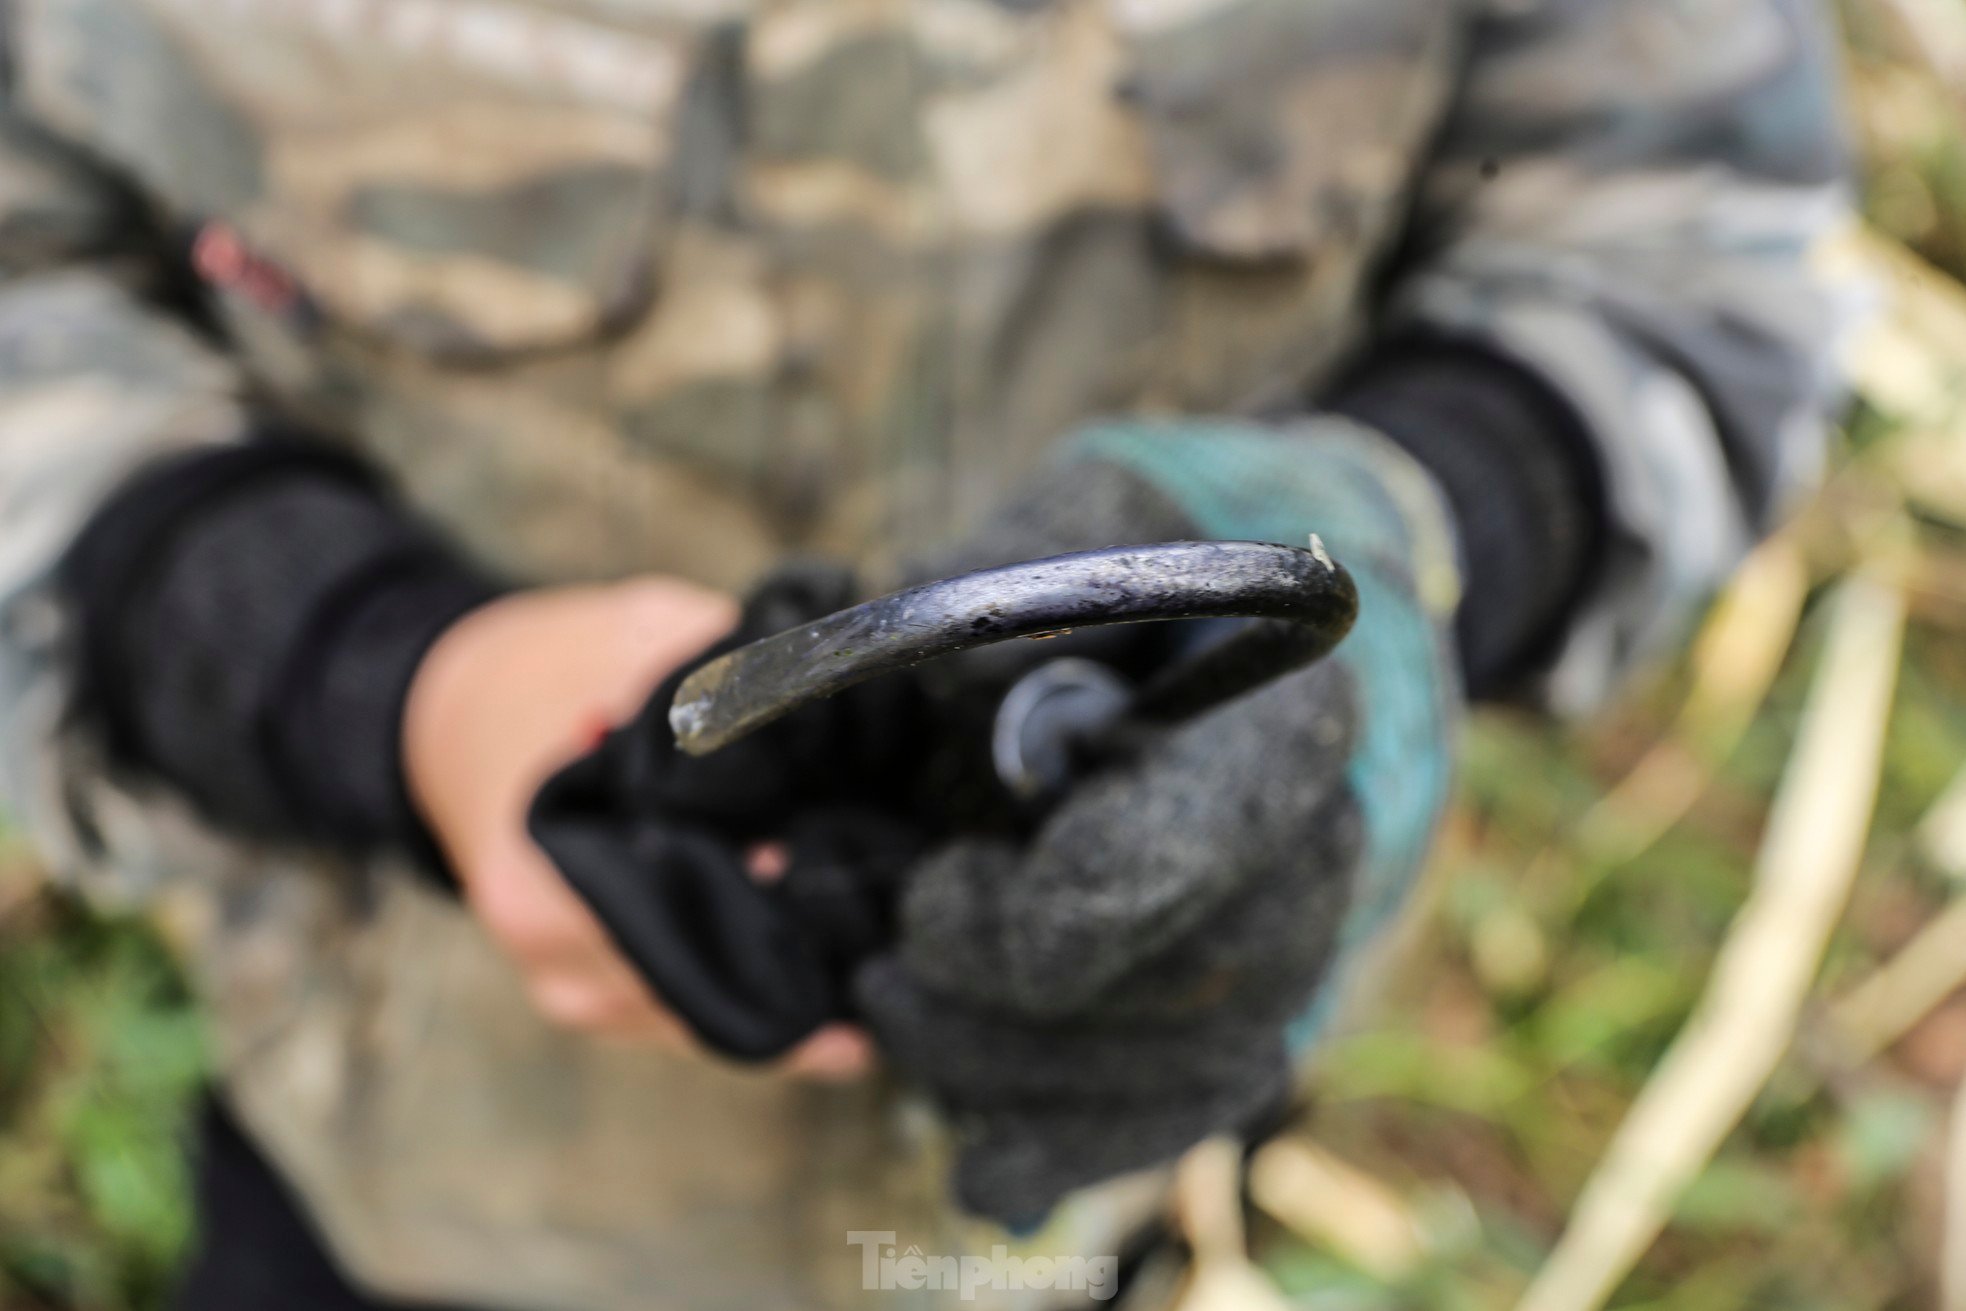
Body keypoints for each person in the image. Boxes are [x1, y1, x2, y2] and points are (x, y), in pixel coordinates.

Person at [0, 0, 1854, 1307]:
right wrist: (380, 685)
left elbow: (1674, 250)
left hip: (1108, 1180)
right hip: (411, 1177)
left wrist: (1386, 555)